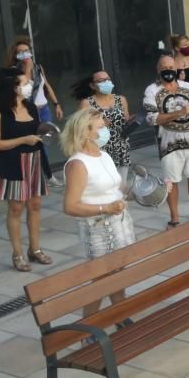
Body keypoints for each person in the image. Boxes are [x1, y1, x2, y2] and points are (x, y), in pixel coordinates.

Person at [60, 108, 134, 319]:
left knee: (118, 273)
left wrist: (146, 189)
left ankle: (120, 315)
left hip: (119, 224)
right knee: (100, 279)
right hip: (98, 229)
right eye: (101, 127)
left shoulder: (104, 155)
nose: (105, 131)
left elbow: (115, 189)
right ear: (85, 132)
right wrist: (106, 208)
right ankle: (86, 327)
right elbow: (70, 206)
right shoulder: (77, 164)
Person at [0, 67, 50, 272]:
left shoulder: (31, 107)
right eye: (24, 83)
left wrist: (45, 133)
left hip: (34, 160)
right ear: (12, 88)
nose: (29, 86)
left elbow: (36, 131)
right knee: (16, 207)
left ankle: (35, 249)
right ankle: (18, 253)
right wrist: (24, 139)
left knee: (35, 205)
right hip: (13, 164)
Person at [144, 56, 189, 228]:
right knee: (171, 182)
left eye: (171, 66)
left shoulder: (188, 87)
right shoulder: (152, 90)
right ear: (158, 70)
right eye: (164, 67)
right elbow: (151, 119)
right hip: (168, 144)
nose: (168, 70)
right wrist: (179, 112)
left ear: (176, 68)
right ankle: (174, 218)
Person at [7, 38, 63, 187]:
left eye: (26, 51)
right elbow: (21, 92)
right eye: (19, 52)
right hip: (29, 112)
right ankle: (48, 176)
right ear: (15, 55)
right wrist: (25, 69)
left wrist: (56, 104)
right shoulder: (15, 71)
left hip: (44, 110)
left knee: (44, 142)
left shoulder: (38, 67)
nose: (24, 54)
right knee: (36, 143)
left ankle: (42, 174)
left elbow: (47, 85)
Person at [74, 70, 132, 180]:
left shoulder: (121, 99)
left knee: (120, 184)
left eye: (108, 79)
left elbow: (126, 120)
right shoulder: (87, 103)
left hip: (121, 148)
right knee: (105, 183)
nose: (106, 82)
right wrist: (100, 125)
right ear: (92, 85)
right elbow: (80, 129)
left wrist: (131, 122)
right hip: (99, 149)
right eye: (101, 80)